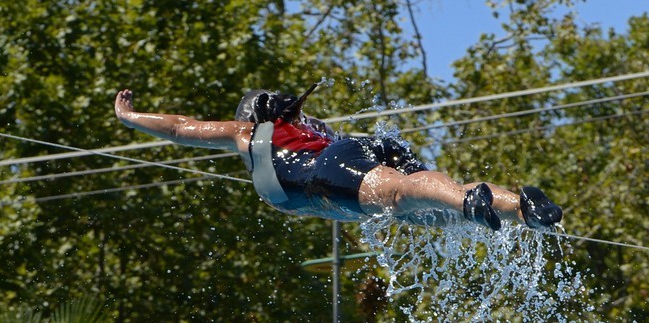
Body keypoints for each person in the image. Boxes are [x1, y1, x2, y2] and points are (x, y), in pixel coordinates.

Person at [114, 85, 563, 233]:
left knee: (403, 193)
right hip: (354, 151)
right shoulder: (314, 129)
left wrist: (130, 116)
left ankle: (469, 204)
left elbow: (180, 128)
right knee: (422, 202)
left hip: (330, 170)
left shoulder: (251, 133)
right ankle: (522, 208)